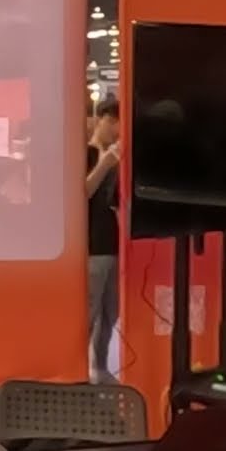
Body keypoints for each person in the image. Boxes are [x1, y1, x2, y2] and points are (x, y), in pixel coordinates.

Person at [86, 97, 121, 384]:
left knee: (111, 312)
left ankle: (100, 366)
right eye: (113, 122)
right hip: (92, 245)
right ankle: (77, 370)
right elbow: (81, 192)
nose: (116, 129)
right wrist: (104, 163)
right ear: (102, 120)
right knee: (89, 311)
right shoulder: (86, 153)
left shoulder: (120, 160)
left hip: (114, 244)